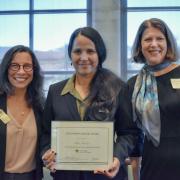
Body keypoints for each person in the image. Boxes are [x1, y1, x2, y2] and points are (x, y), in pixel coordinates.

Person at [41, 26, 140, 180]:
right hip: (67, 176)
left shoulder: (118, 88)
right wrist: (46, 152)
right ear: (70, 55)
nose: (84, 57)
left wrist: (116, 158)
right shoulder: (55, 91)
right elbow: (45, 133)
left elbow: (128, 133)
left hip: (106, 175)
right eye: (77, 51)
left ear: (99, 54)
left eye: (90, 51)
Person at [127, 18, 180, 180]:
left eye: (159, 39)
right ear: (140, 45)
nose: (154, 44)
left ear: (168, 43)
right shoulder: (133, 85)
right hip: (152, 165)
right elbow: (132, 135)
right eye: (148, 39)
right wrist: (135, 176)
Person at [0, 45, 44, 180]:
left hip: (31, 176)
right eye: (14, 66)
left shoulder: (41, 105)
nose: (21, 71)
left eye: (27, 66)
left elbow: (48, 140)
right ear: (6, 69)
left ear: (34, 70)